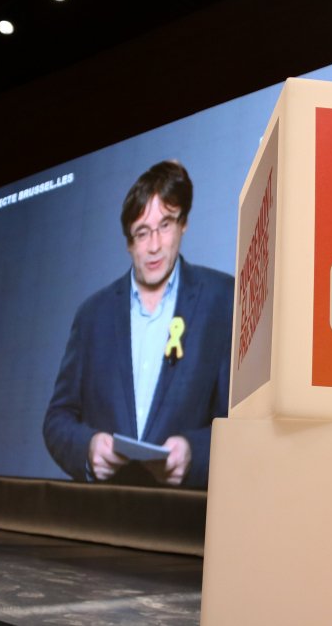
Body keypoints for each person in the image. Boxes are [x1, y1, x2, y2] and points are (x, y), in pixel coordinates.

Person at [43, 160, 234, 489]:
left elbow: (241, 423)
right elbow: (57, 418)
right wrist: (88, 448)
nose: (154, 246)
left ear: (183, 224)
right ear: (129, 242)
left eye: (165, 225)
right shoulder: (92, 316)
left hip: (184, 514)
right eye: (142, 233)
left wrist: (195, 454)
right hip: (107, 511)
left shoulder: (222, 299)